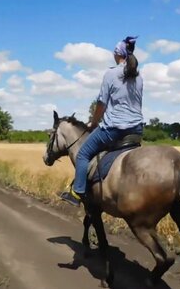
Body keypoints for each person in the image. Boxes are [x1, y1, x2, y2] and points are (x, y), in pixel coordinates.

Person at [60, 36, 144, 206]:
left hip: (114, 129)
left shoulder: (111, 74)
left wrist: (94, 122)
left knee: (83, 153)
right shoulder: (138, 76)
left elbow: (101, 103)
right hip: (136, 130)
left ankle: (77, 193)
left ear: (116, 54)